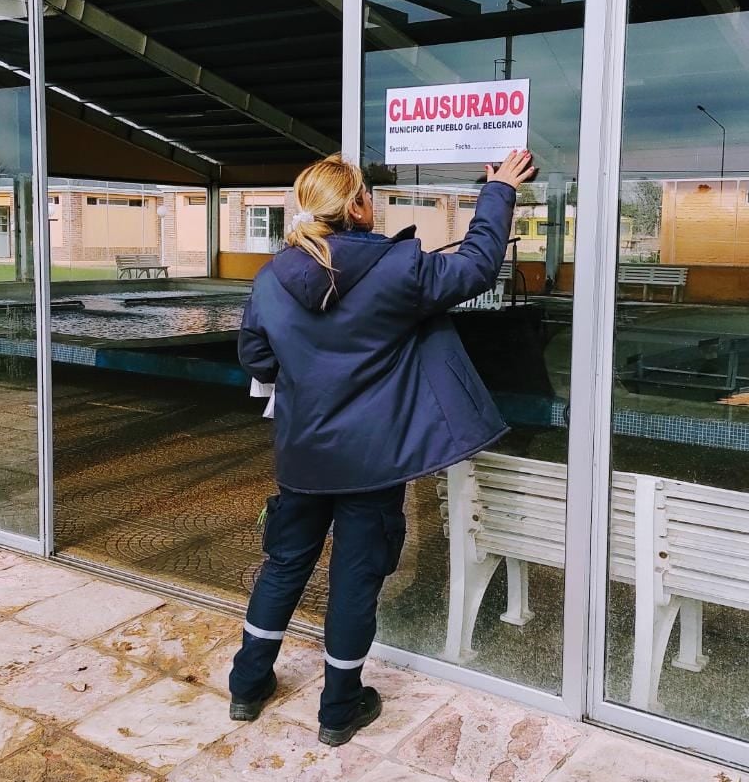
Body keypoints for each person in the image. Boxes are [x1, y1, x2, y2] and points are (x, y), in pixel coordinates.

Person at [229, 147, 536, 745]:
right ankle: (338, 709)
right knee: (354, 579)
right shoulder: (399, 269)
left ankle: (247, 684)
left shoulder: (271, 278)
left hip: (302, 457)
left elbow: (256, 357)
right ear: (358, 205)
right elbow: (476, 266)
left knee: (284, 564)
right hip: (373, 462)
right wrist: (497, 189)